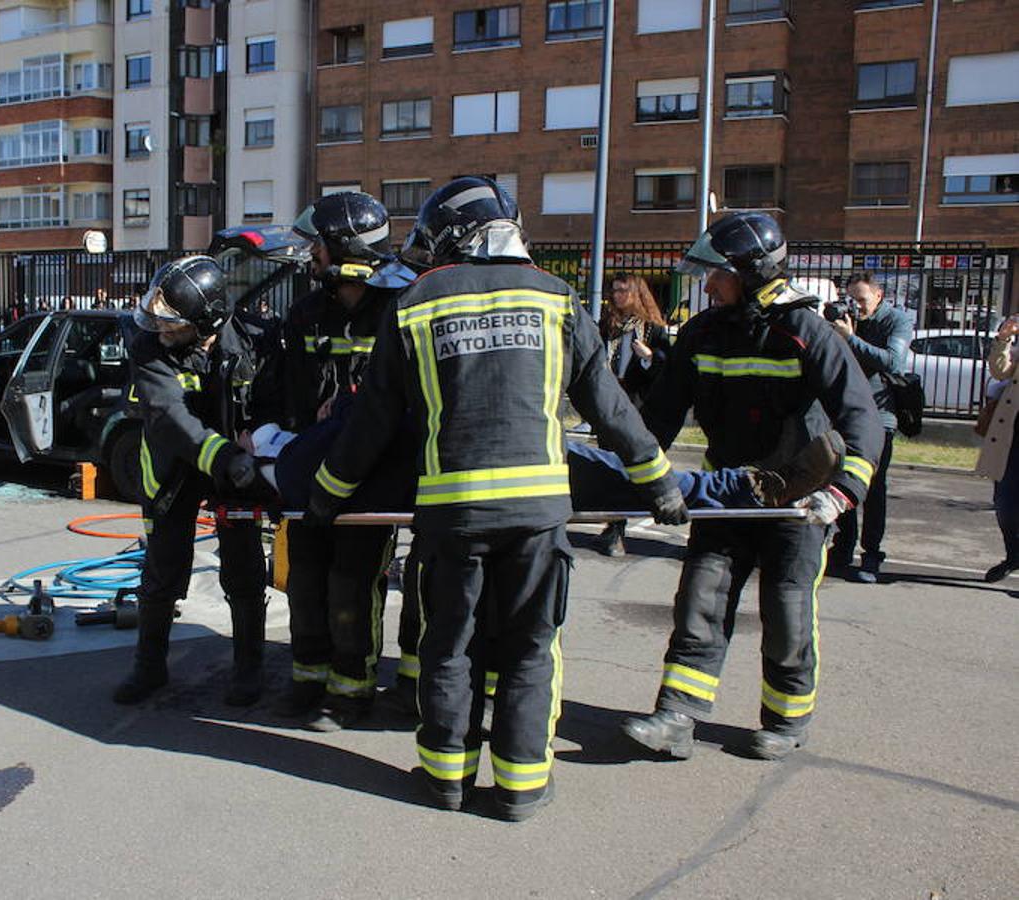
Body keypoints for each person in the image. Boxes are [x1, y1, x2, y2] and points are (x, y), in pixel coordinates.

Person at [305, 177, 689, 822]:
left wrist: (325, 497)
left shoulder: (415, 303)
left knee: (449, 647)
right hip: (537, 515)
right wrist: (660, 484)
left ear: (455, 236)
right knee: (530, 650)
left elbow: (369, 424)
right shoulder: (558, 298)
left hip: (451, 516)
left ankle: (444, 781)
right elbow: (610, 405)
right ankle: (521, 788)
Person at [623, 212, 884, 763]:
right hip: (729, 494)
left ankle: (786, 720)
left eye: (717, 274)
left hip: (794, 502)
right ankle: (677, 716)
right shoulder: (701, 332)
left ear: (751, 272)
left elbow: (861, 419)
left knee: (786, 611)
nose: (708, 285)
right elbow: (658, 421)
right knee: (701, 597)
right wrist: (640, 482)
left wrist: (840, 494)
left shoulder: (806, 333)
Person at [113, 256, 281, 707]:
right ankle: (149, 669)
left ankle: (248, 670)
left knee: (243, 570)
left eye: (172, 323)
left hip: (234, 472)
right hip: (173, 470)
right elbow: (169, 416)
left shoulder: (253, 341)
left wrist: (261, 433)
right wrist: (224, 456)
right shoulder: (148, 348)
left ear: (205, 320)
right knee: (162, 571)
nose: (160, 328)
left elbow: (274, 397)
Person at [276, 191, 410, 731]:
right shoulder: (306, 313)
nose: (312, 257)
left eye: (319, 248)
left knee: (352, 583)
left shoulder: (398, 312)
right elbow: (290, 394)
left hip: (367, 475)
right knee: (305, 578)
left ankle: (351, 691)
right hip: (313, 472)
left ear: (345, 251)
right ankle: (308, 677)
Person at [826, 271, 913, 583]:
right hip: (846, 413)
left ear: (878, 296)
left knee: (874, 488)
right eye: (852, 299)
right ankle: (842, 548)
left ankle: (872, 555)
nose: (857, 307)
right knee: (843, 479)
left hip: (881, 416)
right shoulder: (847, 320)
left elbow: (892, 361)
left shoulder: (897, 321)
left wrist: (851, 338)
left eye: (862, 300)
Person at [596, 273, 673, 556]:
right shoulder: (608, 325)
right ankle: (613, 526)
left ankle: (619, 527)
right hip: (609, 401)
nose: (616, 296)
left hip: (637, 405)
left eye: (622, 291)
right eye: (613, 291)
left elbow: (666, 369)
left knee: (630, 466)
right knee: (609, 464)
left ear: (636, 294)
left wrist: (649, 356)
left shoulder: (652, 329)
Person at [975, 315, 1019, 581]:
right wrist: (1004, 339)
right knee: (1004, 504)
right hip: (1012, 437)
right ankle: (1013, 555)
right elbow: (999, 370)